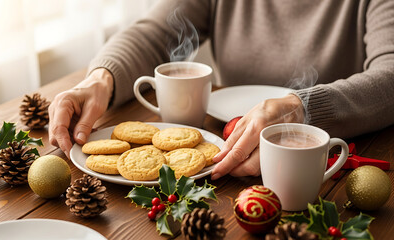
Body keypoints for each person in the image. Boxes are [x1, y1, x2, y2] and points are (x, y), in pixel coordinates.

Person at [48, 0, 394, 180]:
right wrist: (100, 79)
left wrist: (300, 107)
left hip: (328, 162)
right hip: (225, 145)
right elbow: (153, 34)